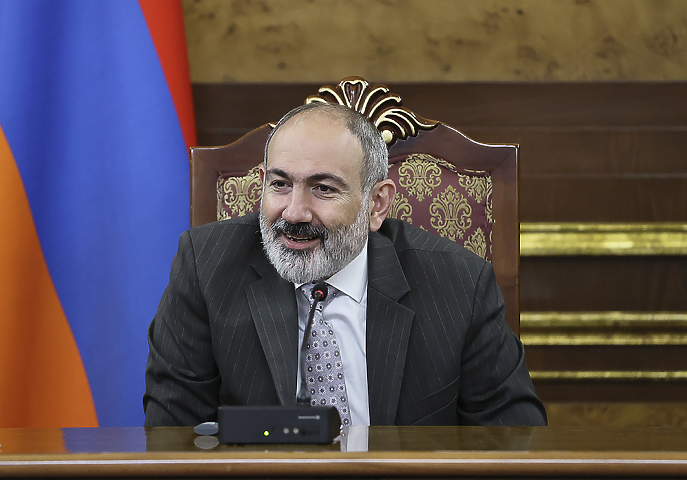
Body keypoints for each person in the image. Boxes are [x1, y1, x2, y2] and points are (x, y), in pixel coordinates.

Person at [144, 102, 547, 427]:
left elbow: (513, 440)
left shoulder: (460, 284)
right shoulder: (206, 266)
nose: (295, 212)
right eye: (280, 184)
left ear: (377, 204)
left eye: (323, 188)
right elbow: (172, 435)